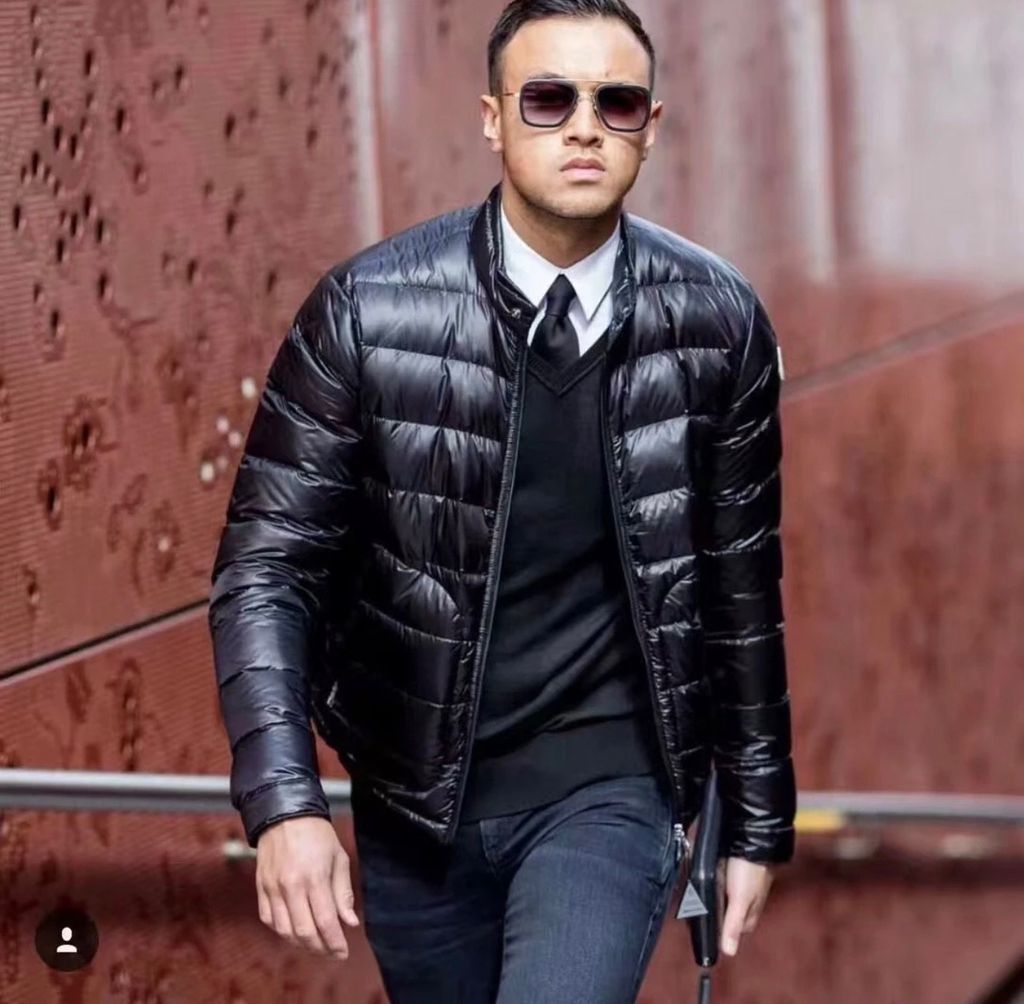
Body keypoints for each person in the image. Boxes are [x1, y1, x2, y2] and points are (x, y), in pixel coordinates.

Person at [207, 0, 797, 1000]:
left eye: (616, 103)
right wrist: (284, 802)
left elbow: (741, 589)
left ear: (650, 127)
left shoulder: (716, 321)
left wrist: (754, 817)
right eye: (548, 99)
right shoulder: (367, 313)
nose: (583, 127)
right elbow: (266, 572)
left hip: (609, 790)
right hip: (413, 805)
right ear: (492, 118)